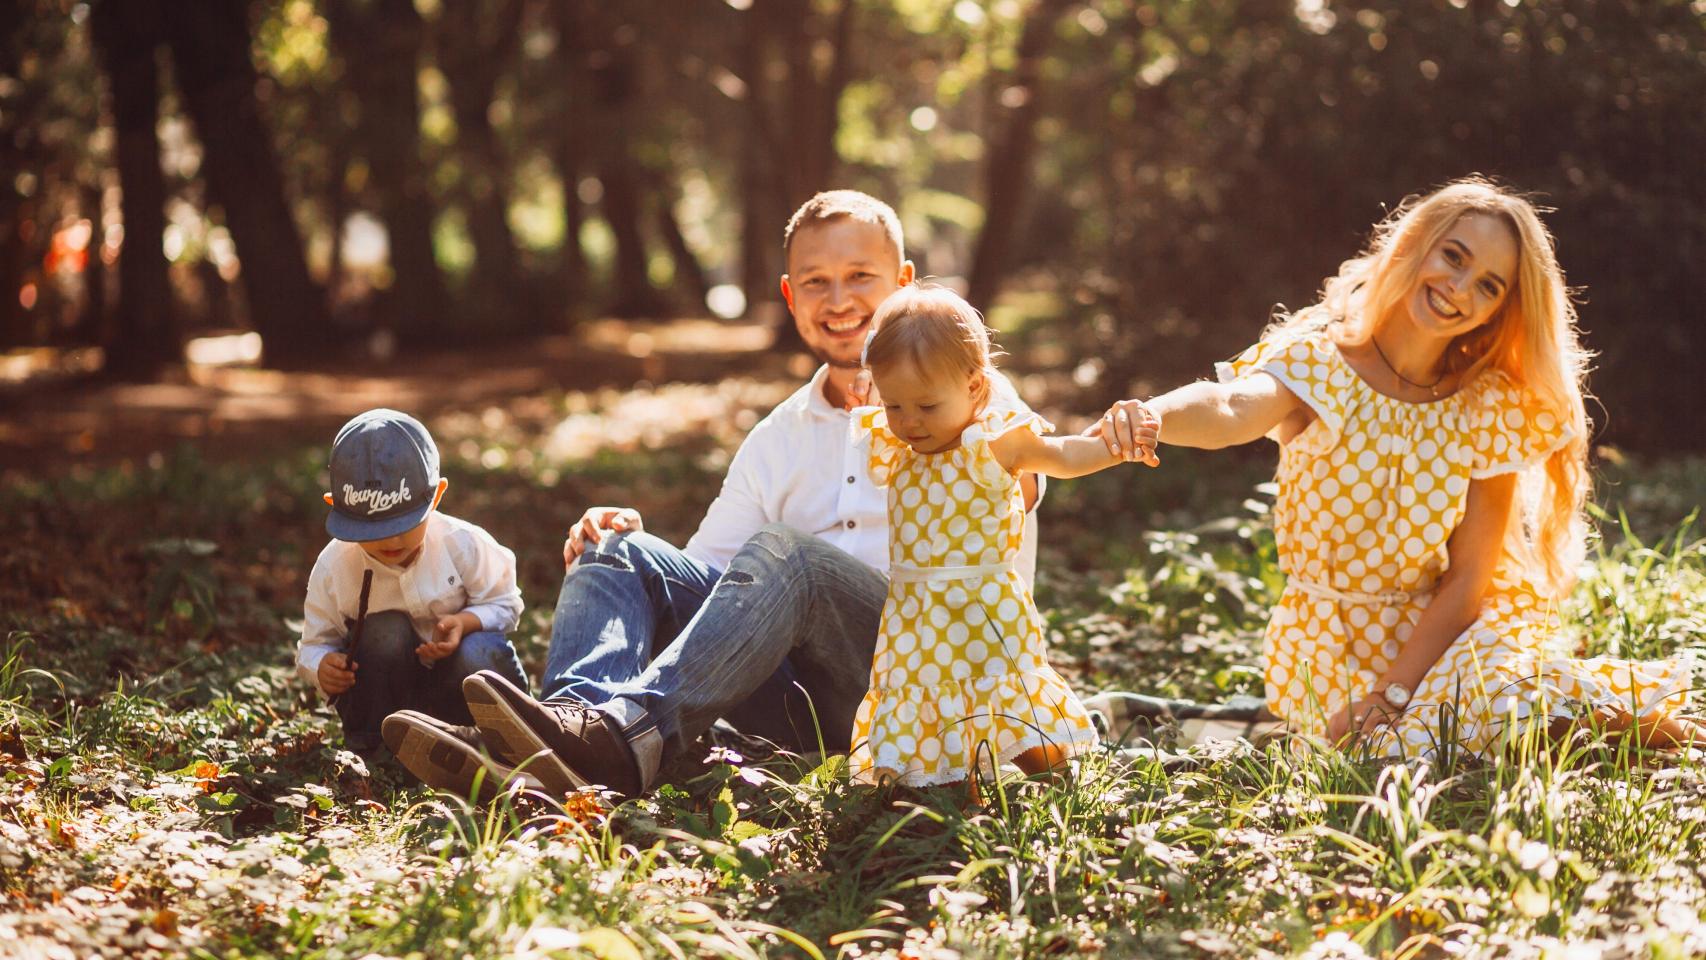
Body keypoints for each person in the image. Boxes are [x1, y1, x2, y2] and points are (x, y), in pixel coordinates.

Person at [388, 190, 1048, 797]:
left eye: (860, 277)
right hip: (803, 706)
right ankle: (568, 739)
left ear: (905, 284)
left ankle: (617, 742)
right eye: (817, 282)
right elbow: (717, 589)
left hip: (933, 687)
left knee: (795, 558)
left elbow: (1028, 469)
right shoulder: (780, 435)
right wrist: (630, 550)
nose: (839, 300)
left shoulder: (973, 398)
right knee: (615, 546)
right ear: (791, 298)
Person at [1094, 177, 1701, 757]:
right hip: (1328, 650)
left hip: (1443, 639)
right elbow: (1230, 406)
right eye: (1454, 257)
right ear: (1414, 244)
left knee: (1520, 705)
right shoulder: (1319, 361)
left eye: (1490, 286)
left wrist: (1395, 694)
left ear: (1499, 311)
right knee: (1419, 746)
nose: (1461, 288)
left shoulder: (1483, 405)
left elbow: (1468, 580)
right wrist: (1150, 415)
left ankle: (1674, 737)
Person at [848, 285, 1158, 787]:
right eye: (894, 406)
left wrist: (1114, 446)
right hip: (915, 617)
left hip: (982, 609)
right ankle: (947, 795)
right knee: (931, 711)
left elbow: (1064, 455)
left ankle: (1064, 781)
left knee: (1011, 709)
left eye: (926, 406)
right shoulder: (897, 446)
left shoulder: (990, 442)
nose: (908, 422)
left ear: (973, 387)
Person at [295, 409, 529, 776]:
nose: (391, 539)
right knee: (384, 629)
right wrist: (321, 666)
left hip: (453, 687)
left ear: (436, 497)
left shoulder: (462, 544)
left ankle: (503, 741)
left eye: (404, 524)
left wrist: (466, 621)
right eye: (373, 529)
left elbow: (506, 602)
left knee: (480, 649)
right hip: (382, 696)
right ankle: (377, 749)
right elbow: (313, 645)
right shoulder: (335, 567)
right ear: (336, 508)